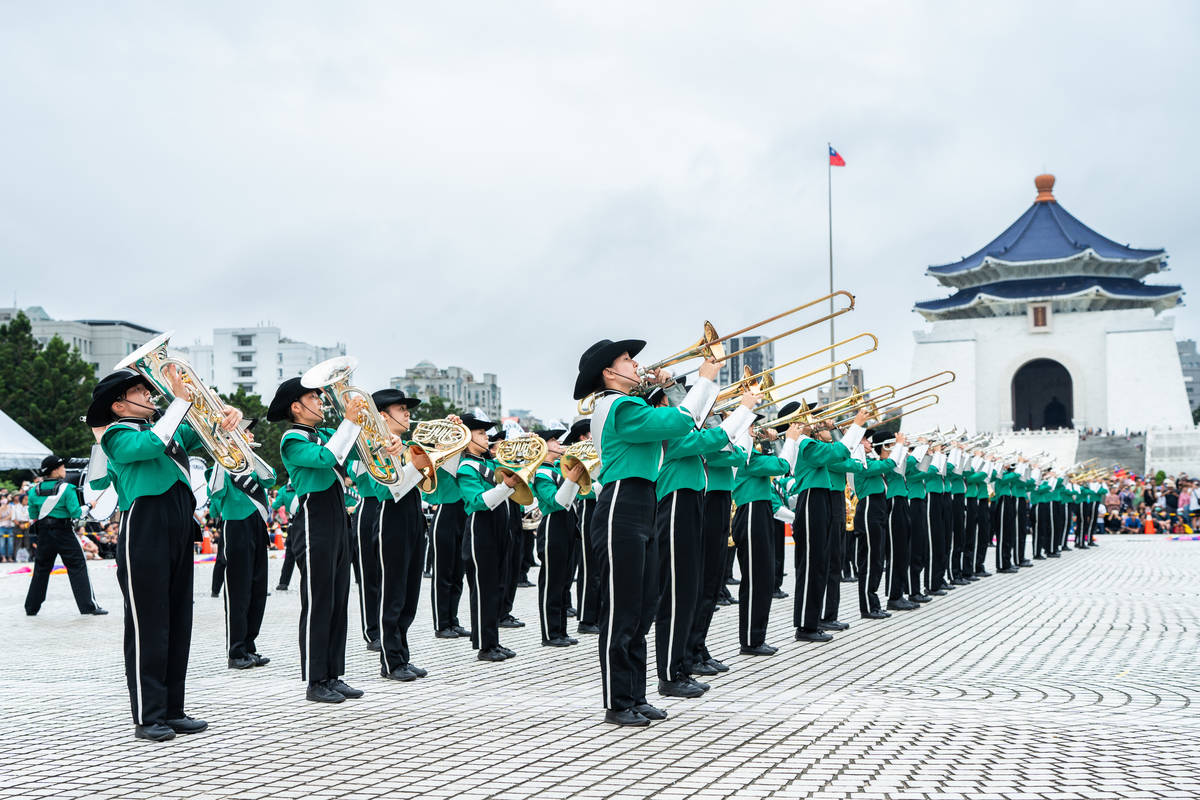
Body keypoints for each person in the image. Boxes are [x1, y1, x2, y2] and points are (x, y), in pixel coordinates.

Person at [87, 367, 237, 741]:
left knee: (177, 619)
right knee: (148, 622)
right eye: (141, 392)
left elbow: (202, 430)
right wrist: (180, 401)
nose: (150, 396)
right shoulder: (116, 435)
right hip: (145, 525)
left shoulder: (162, 429)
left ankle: (173, 707)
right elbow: (151, 444)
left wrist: (226, 417)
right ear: (119, 406)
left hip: (178, 521)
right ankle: (148, 715)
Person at [572, 338, 700, 727]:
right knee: (622, 608)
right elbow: (680, 421)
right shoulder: (617, 405)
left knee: (644, 606)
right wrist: (704, 381)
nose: (636, 364)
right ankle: (617, 701)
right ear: (609, 372)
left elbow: (680, 429)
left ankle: (636, 695)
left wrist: (672, 389)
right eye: (628, 360)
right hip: (622, 504)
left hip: (643, 500)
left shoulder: (631, 404)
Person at [268, 376, 368, 704]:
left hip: (338, 516)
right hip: (314, 521)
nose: (322, 402)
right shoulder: (292, 438)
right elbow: (327, 458)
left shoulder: (323, 432)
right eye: (315, 398)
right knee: (318, 602)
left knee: (339, 600)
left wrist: (377, 434)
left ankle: (333, 674)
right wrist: (350, 421)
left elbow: (356, 449)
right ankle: (315, 679)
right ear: (296, 407)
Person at [653, 379, 756, 696]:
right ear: (660, 409)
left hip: (690, 503)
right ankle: (671, 673)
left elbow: (724, 447)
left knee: (689, 590)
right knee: (677, 594)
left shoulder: (681, 434)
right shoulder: (668, 434)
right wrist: (744, 409)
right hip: (674, 505)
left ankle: (681, 665)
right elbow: (715, 438)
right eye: (673, 404)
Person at [371, 388, 433, 682]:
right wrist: (414, 467)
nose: (408, 413)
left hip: (412, 517)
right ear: (383, 416)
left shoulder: (407, 445)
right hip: (390, 518)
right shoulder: (373, 446)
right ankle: (390, 660)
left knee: (409, 594)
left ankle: (403, 656)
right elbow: (385, 489)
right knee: (393, 593)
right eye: (401, 408)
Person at [206, 433, 275, 670]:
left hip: (258, 524)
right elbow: (214, 491)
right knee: (238, 590)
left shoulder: (250, 463)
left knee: (257, 588)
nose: (247, 437)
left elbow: (270, 478)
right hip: (235, 525)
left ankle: (249, 646)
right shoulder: (223, 465)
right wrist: (220, 454)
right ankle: (235, 651)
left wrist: (249, 453)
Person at [456, 413, 521, 662]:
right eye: (481, 433)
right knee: (483, 589)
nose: (487, 438)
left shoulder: (492, 463)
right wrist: (506, 486)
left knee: (496, 587)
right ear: (467, 437)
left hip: (499, 526)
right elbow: (477, 502)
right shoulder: (466, 467)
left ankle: (493, 640)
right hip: (480, 528)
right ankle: (485, 645)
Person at [23, 455, 107, 617]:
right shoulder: (67, 488)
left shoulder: (33, 491)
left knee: (41, 570)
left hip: (44, 534)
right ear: (55, 470)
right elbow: (76, 513)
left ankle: (31, 608)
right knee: (78, 566)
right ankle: (88, 607)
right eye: (62, 467)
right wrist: (89, 506)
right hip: (64, 532)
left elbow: (33, 516)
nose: (64, 470)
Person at [531, 426, 586, 647]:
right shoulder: (543, 473)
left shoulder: (557, 469)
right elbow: (555, 501)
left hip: (567, 523)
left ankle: (561, 630)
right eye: (553, 440)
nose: (558, 443)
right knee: (552, 581)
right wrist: (572, 479)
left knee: (564, 581)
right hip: (553, 524)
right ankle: (550, 633)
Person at [853, 431, 902, 619]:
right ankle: (867, 607)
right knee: (870, 560)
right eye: (865, 439)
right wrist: (897, 445)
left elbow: (889, 465)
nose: (869, 442)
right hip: (869, 509)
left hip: (879, 508)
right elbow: (889, 463)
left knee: (877, 560)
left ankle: (874, 604)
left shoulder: (869, 459)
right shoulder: (861, 462)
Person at [272, 483, 298, 590]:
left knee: (290, 555)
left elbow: (275, 506)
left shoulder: (284, 490)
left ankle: (283, 582)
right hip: (309, 522)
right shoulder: (307, 482)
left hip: (293, 524)